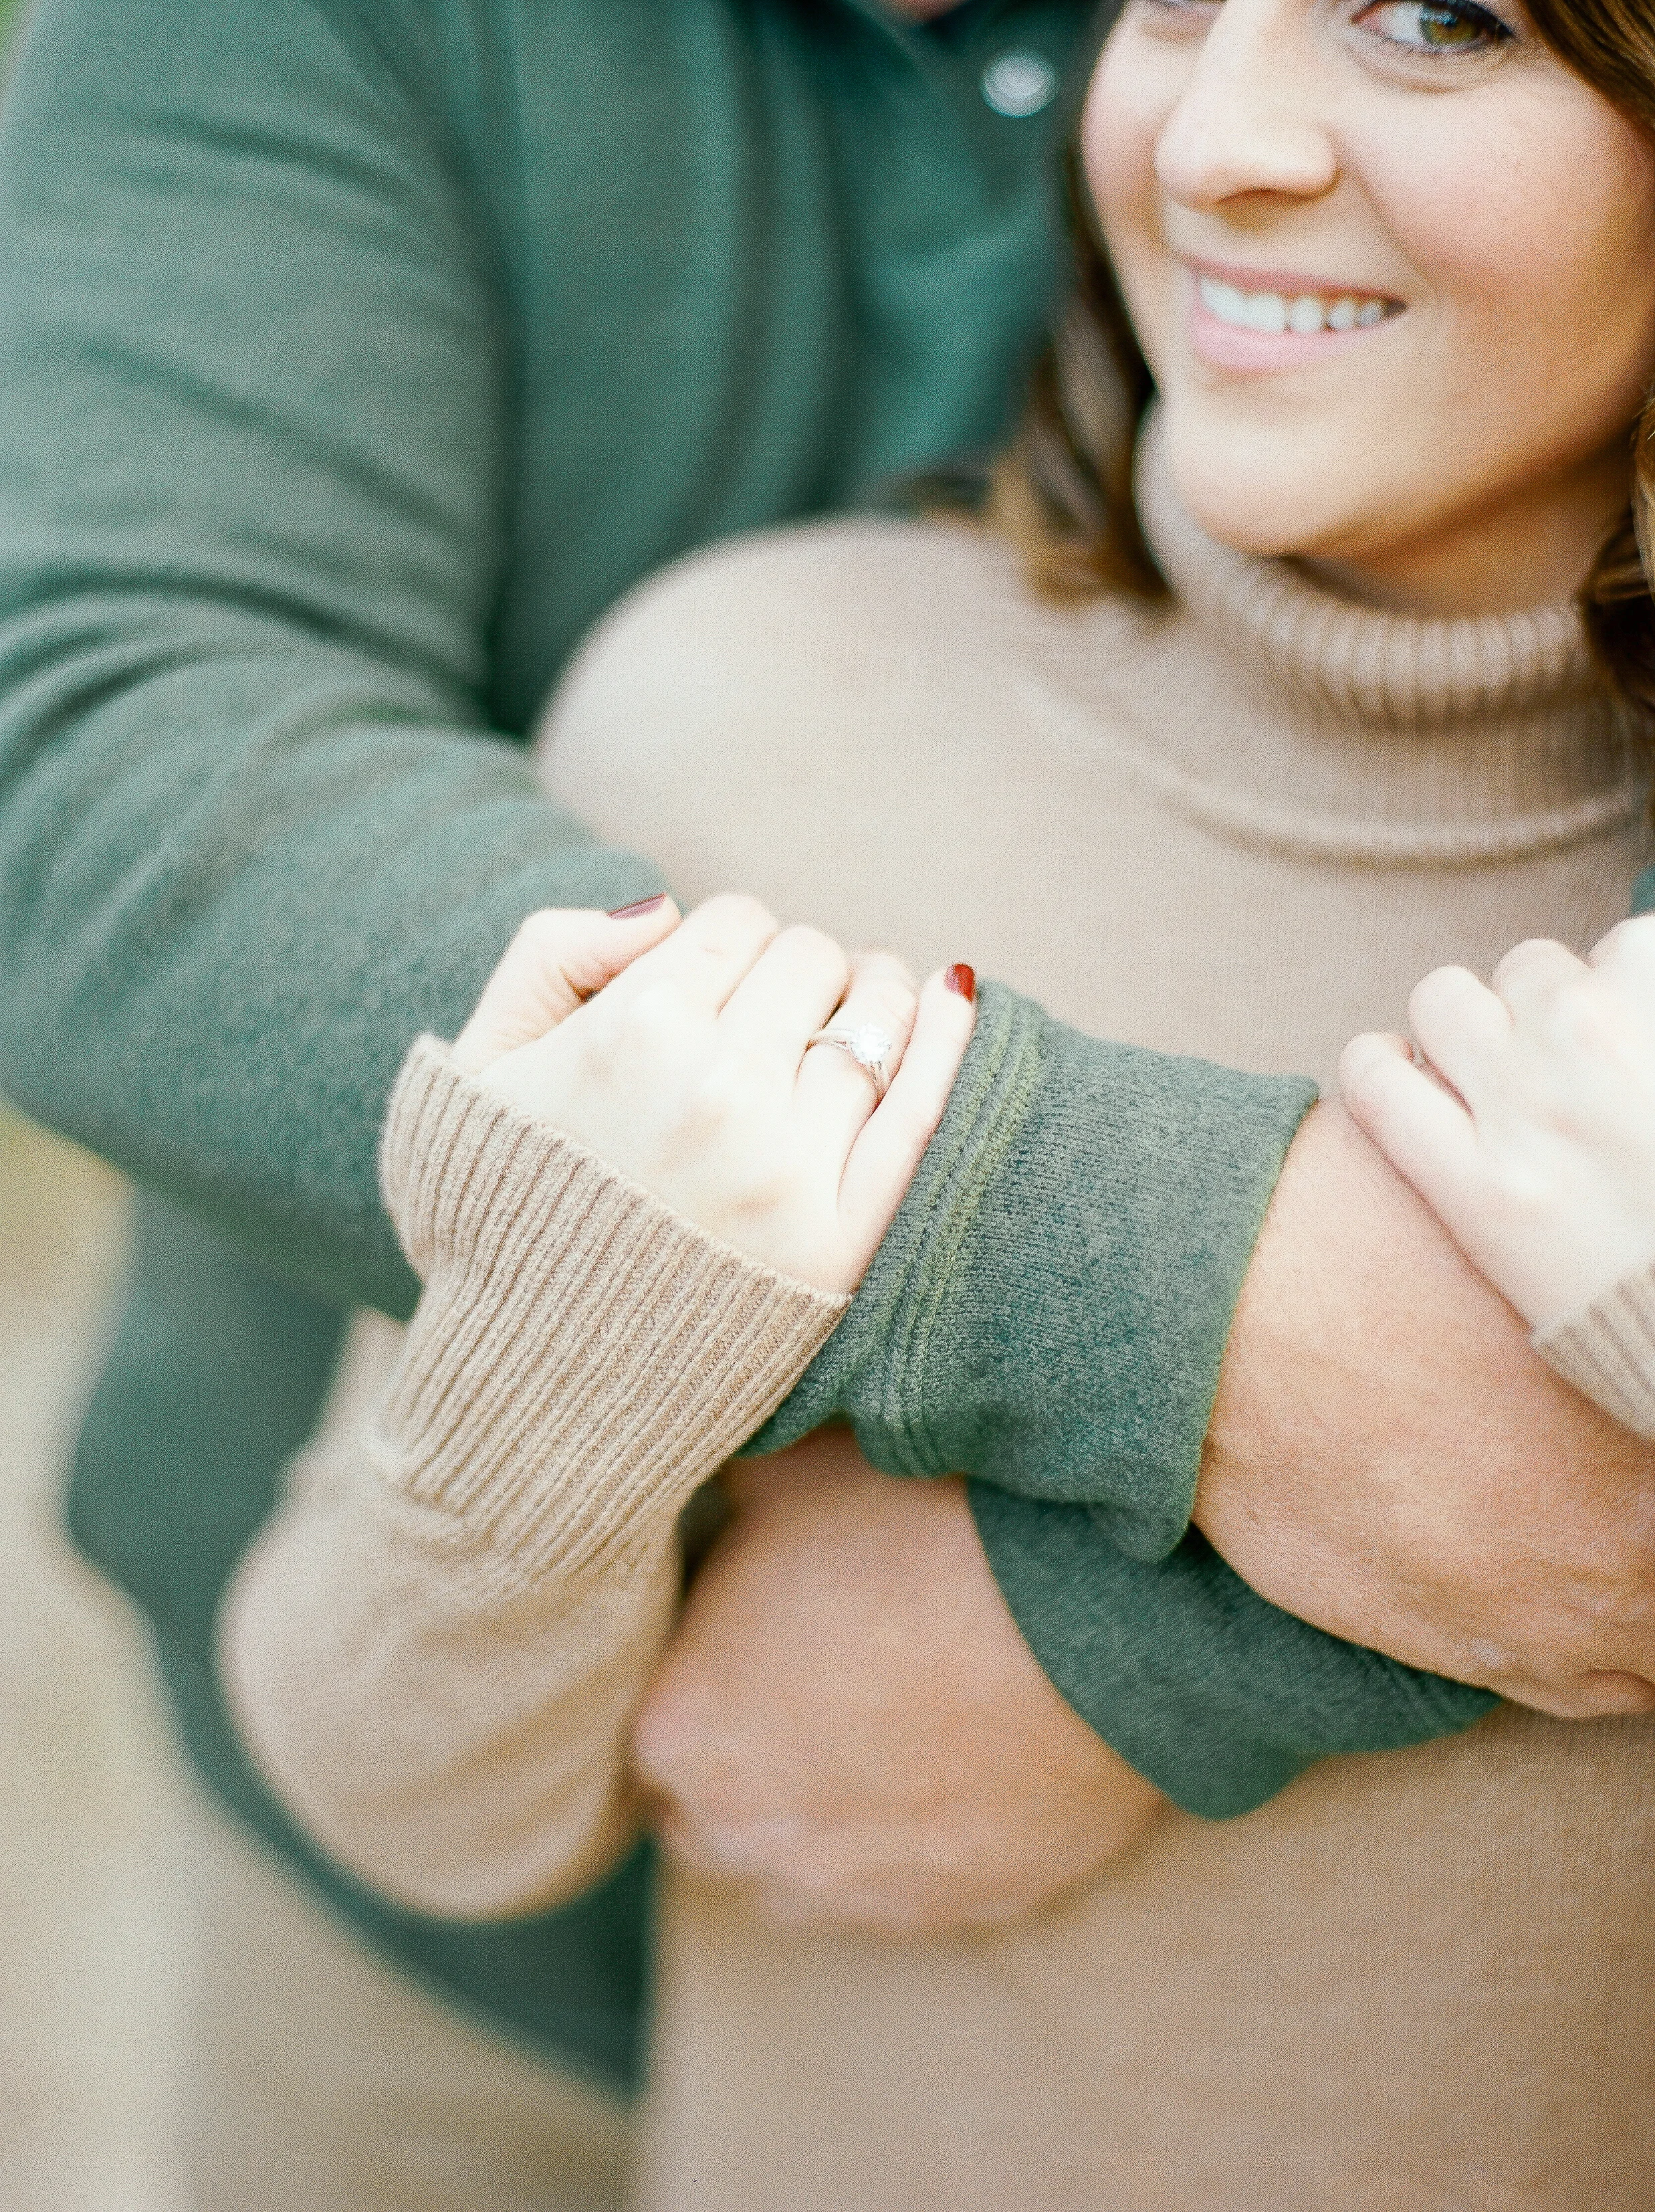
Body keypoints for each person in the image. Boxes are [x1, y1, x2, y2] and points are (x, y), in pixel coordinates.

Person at [1, 0, 1654, 2200]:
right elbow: (92, 742)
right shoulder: (746, 722)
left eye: (1437, 18)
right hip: (460, 1958)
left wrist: (1141, 1651)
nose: (1221, 141)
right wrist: (1171, 1296)